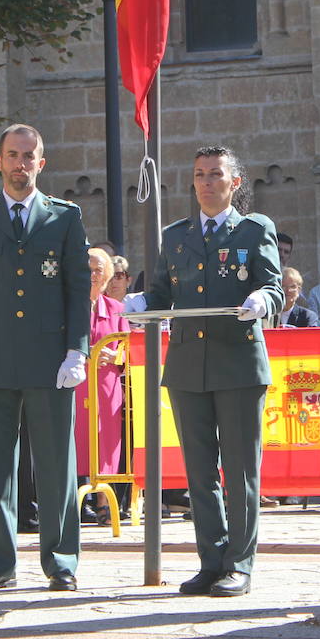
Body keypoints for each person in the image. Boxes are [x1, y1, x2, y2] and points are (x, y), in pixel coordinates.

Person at [123, 144, 282, 598]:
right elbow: (160, 295)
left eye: (215, 174)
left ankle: (240, 563)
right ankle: (210, 561)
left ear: (234, 183)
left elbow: (272, 284)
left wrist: (262, 302)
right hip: (189, 366)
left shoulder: (254, 230)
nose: (206, 183)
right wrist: (138, 305)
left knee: (241, 468)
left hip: (237, 363)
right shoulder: (175, 237)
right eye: (199, 175)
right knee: (199, 472)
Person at [0, 124, 90, 593]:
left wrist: (77, 349)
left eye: (29, 156)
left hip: (51, 357)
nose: (20, 164)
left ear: (41, 163)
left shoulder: (64, 217)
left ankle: (61, 562)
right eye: (12, 155)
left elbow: (77, 290)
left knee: (55, 464)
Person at [76, 246, 130, 524]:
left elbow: (131, 349)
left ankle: (105, 502)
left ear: (108, 274)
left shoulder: (118, 309)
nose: (93, 275)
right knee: (79, 439)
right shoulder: (71, 306)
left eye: (98, 270)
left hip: (107, 386)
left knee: (107, 442)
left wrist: (116, 355)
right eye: (88, 269)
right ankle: (80, 498)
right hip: (78, 385)